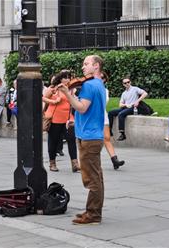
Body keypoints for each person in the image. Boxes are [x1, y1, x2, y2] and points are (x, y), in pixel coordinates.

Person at [57, 55, 106, 225]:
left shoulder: (89, 85)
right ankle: (92, 211)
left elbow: (82, 108)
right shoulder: (99, 84)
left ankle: (93, 215)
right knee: (96, 177)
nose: (83, 67)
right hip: (94, 135)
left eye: (86, 64)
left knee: (91, 179)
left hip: (89, 137)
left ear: (96, 66)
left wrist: (66, 94)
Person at [43, 70, 79, 173]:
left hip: (68, 118)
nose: (68, 79)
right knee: (53, 141)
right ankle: (52, 163)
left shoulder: (71, 89)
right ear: (61, 78)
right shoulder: (53, 88)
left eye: (70, 77)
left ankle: (75, 164)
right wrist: (54, 101)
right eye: (66, 77)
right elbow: (43, 98)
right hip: (55, 118)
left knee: (71, 139)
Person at [102, 72, 125, 170]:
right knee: (93, 140)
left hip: (102, 115)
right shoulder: (89, 88)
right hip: (92, 117)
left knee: (107, 138)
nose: (101, 79)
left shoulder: (105, 90)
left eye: (103, 78)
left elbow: (104, 102)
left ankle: (114, 160)